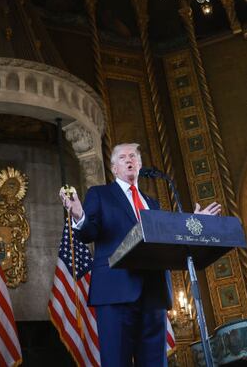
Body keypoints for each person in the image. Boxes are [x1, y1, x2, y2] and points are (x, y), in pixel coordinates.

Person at [60, 142, 221, 366]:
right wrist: (79, 214)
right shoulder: (100, 194)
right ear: (114, 167)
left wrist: (194, 224)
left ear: (140, 165)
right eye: (124, 157)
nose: (130, 160)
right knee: (117, 361)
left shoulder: (152, 203)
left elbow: (168, 236)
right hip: (115, 290)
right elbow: (89, 233)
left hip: (153, 292)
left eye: (134, 156)